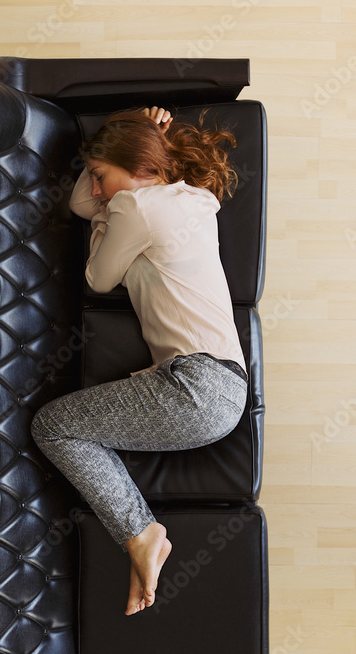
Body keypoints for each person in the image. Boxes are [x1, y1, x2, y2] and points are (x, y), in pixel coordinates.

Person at [31, 105, 248, 616]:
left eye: (102, 175)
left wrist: (113, 203)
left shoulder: (139, 209)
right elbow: (88, 204)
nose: (98, 188)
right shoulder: (191, 199)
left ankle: (142, 533)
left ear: (135, 164)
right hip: (216, 389)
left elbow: (97, 279)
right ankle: (141, 536)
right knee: (63, 428)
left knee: (54, 427)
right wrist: (124, 142)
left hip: (197, 388)